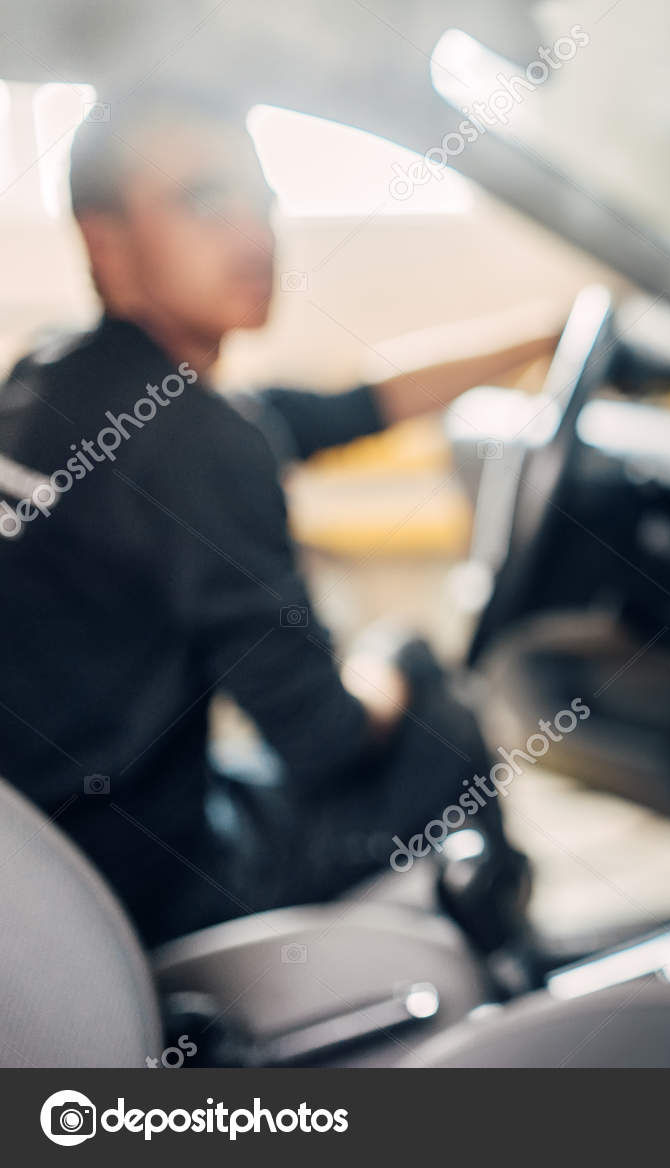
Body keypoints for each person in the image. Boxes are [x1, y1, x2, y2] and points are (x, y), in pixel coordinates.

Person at [0, 89, 563, 948]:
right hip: (145, 897)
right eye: (203, 199)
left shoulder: (48, 380)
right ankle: (491, 977)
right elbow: (326, 741)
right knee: (433, 712)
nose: (254, 233)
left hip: (45, 876)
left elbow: (338, 410)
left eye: (261, 200)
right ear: (102, 241)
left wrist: (545, 340)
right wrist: (396, 666)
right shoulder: (197, 441)